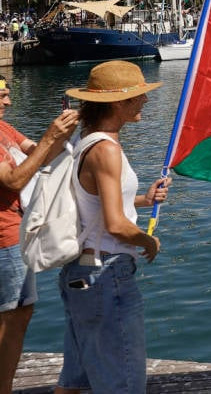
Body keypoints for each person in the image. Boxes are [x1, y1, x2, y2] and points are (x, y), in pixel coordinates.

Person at [54, 61, 170, 394]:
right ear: (118, 103)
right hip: (107, 273)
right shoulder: (107, 150)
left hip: (79, 271)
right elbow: (115, 224)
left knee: (74, 378)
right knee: (124, 381)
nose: (144, 102)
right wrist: (148, 242)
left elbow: (92, 203)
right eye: (138, 97)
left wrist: (144, 200)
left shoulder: (86, 140)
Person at [0, 78, 78, 394]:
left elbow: (40, 153)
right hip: (4, 238)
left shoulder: (4, 129)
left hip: (14, 232)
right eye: (2, 96)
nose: (7, 103)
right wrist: (50, 138)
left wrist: (65, 132)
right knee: (11, 318)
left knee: (20, 312)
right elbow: (15, 180)